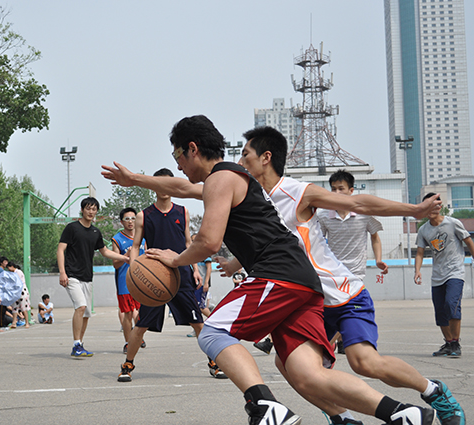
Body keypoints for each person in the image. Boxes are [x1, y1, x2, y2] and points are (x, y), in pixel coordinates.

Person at [102, 116, 441, 425]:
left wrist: (174, 260)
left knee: (213, 332)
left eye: (178, 156)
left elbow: (208, 241)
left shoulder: (224, 178)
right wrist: (134, 179)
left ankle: (265, 406)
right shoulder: (230, 180)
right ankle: (401, 413)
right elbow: (179, 187)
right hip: (304, 283)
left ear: (192, 148)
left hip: (279, 274)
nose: (177, 164)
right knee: (306, 375)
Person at [116, 168, 225, 383]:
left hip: (181, 274)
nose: (164, 188)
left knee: (198, 323)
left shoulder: (182, 212)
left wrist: (195, 269)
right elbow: (135, 246)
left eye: (168, 183)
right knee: (141, 326)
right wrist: (135, 270)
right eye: (160, 183)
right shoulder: (144, 215)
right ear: (154, 186)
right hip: (154, 277)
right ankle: (127, 364)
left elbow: (188, 243)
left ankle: (214, 362)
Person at [317, 169, 389, 354]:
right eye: (333, 189)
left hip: (355, 271)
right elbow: (318, 242)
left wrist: (378, 259)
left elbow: (375, 237)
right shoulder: (324, 215)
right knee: (333, 306)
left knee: (348, 305)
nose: (337, 193)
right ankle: (337, 340)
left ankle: (332, 343)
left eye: (341, 188)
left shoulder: (363, 213)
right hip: (332, 271)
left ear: (351, 190)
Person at [57, 197, 129, 357]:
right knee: (81, 307)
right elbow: (60, 249)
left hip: (87, 277)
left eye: (94, 209)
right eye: (88, 208)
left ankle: (79, 344)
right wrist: (62, 272)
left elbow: (104, 251)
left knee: (86, 314)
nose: (91, 212)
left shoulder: (95, 232)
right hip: (72, 275)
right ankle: (76, 344)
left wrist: (124, 258)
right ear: (82, 210)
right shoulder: (72, 228)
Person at [415, 192, 474, 359]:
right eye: (428, 206)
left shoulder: (453, 223)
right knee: (440, 311)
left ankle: (455, 343)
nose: (431, 209)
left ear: (440, 207)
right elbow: (419, 253)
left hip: (455, 272)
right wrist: (417, 270)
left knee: (451, 304)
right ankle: (448, 343)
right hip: (437, 276)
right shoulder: (423, 230)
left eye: (434, 205)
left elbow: (468, 241)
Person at [111, 207, 146, 353]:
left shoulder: (143, 237)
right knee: (128, 313)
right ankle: (128, 342)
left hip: (141, 280)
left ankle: (137, 336)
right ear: (121, 222)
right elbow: (115, 264)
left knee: (141, 312)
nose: (130, 221)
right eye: (127, 219)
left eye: (133, 218)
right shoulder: (117, 239)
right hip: (124, 281)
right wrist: (126, 256)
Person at [7, 262, 30, 328]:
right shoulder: (12, 273)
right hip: (15, 292)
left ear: (12, 266)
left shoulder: (18, 272)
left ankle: (27, 322)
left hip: (22, 291)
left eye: (9, 268)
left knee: (23, 307)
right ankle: (14, 323)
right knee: (14, 307)